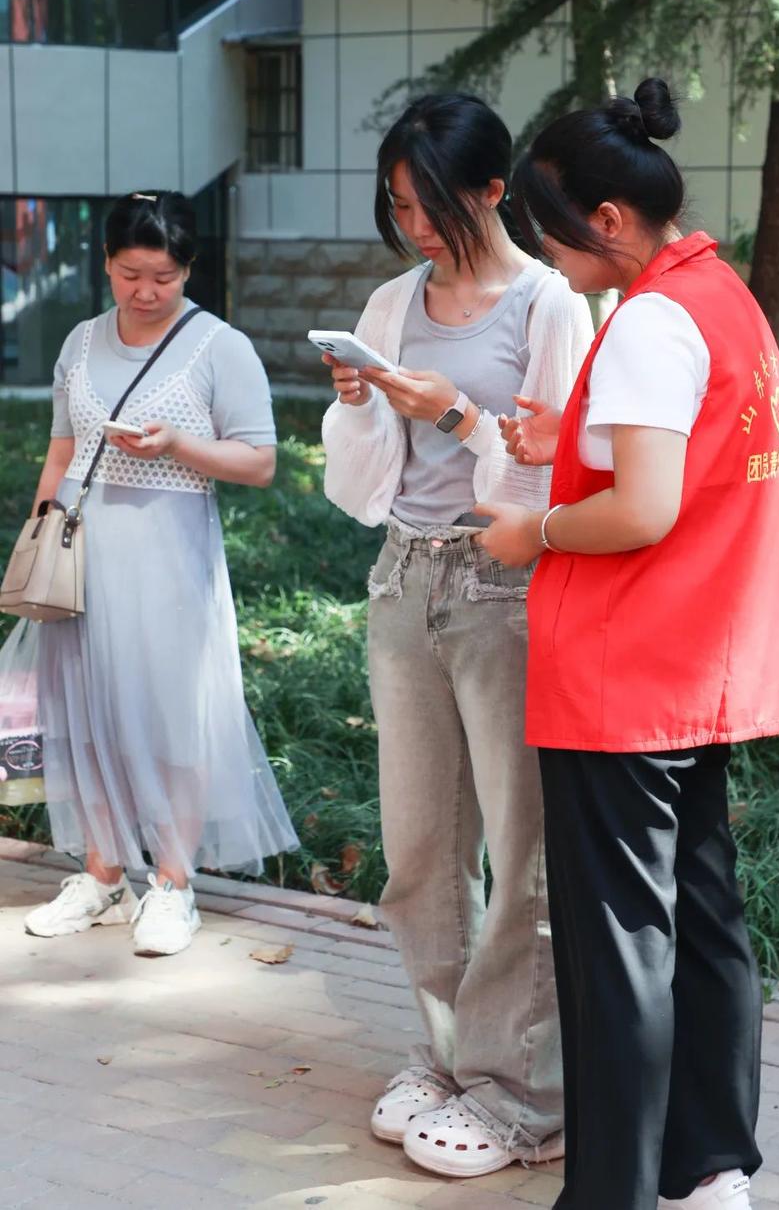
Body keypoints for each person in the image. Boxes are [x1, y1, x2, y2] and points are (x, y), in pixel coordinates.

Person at [475, 79, 779, 1209]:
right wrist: (573, 433)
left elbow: (645, 508)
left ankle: (610, 1192)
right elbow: (693, 455)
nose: (549, 258)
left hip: (623, 670)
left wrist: (532, 531)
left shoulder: (648, 321)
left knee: (618, 948)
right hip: (701, 661)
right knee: (704, 923)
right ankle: (710, 1170)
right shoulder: (724, 298)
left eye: (553, 235)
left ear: (608, 219)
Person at [321, 94, 593, 1177]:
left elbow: (559, 476)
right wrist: (359, 401)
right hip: (403, 578)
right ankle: (446, 1060)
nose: (417, 227)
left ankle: (521, 1095)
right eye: (399, 206)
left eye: (433, 204)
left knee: (522, 853)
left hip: (505, 588)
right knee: (422, 851)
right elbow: (360, 489)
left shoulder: (549, 304)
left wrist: (456, 415)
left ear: (493, 190)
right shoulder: (393, 302)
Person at [24, 191, 298, 957]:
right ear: (106, 262)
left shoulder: (218, 346)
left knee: (173, 716)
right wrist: (39, 540)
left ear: (190, 268)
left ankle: (174, 885)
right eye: (129, 273)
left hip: (168, 557)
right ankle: (103, 874)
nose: (145, 292)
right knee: (86, 715)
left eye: (164, 277)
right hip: (81, 553)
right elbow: (61, 449)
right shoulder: (80, 341)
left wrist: (177, 443)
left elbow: (260, 461)